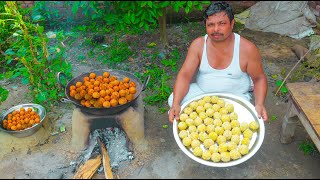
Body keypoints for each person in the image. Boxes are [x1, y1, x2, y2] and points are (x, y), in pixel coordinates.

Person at [168, 1, 268, 123]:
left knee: (241, 123)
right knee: (173, 99)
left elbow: (259, 78)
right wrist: (176, 103)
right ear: (205, 25)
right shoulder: (198, 45)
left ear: (232, 24)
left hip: (236, 97)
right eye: (210, 25)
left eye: (222, 24)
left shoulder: (247, 48)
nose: (216, 29)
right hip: (203, 92)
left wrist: (259, 104)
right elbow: (184, 75)